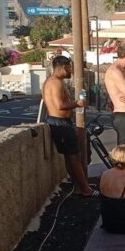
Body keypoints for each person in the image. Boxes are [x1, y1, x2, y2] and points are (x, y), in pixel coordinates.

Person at [42, 55, 95, 197]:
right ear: (63, 67)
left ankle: (78, 187)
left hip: (61, 122)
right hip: (60, 124)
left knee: (70, 156)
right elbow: (59, 105)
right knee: (74, 157)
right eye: (69, 67)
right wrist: (77, 103)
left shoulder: (54, 82)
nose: (71, 70)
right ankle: (85, 189)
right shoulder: (55, 83)